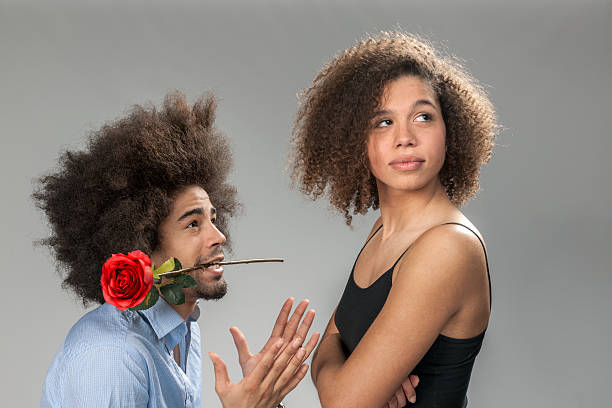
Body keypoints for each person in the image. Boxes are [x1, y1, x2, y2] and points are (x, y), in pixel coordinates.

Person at [35, 91, 320, 408]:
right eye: (193, 224)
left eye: (213, 218)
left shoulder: (183, 330)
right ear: (140, 242)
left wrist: (263, 400)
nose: (219, 236)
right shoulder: (112, 358)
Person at [290, 31, 497, 408]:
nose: (405, 137)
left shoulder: (448, 246)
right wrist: (360, 371)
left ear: (450, 131)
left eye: (423, 116)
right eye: (383, 122)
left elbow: (341, 400)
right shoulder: (383, 230)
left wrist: (352, 372)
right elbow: (326, 348)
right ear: (356, 142)